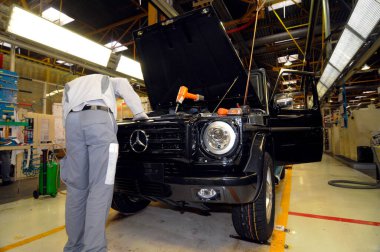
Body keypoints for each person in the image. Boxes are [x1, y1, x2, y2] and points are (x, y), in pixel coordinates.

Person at [61, 74, 148, 252]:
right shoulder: (108, 79)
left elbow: (65, 111)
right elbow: (123, 84)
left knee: (76, 189)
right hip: (98, 119)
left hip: (72, 123)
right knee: (100, 188)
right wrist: (139, 113)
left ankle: (73, 247)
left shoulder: (71, 84)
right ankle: (94, 249)